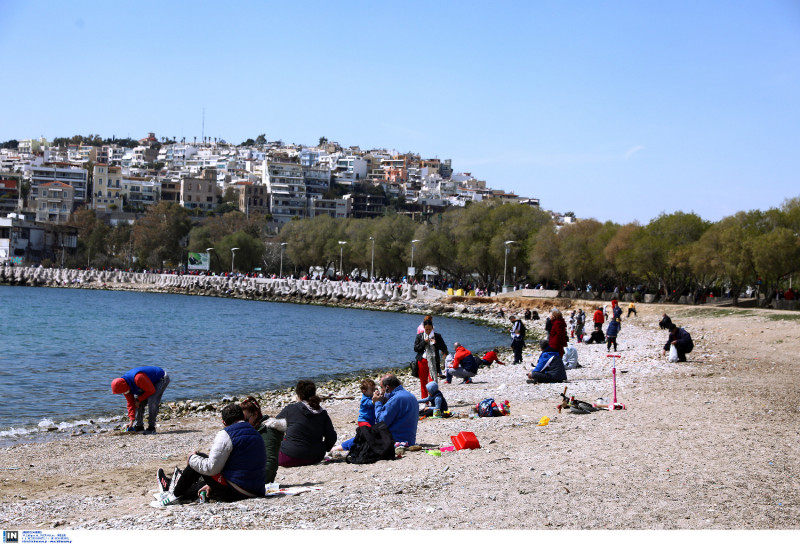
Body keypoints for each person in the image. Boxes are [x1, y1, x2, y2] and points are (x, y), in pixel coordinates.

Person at [155, 404, 266, 505]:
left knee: (200, 459)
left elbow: (211, 468)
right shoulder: (255, 433)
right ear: (243, 417)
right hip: (255, 490)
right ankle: (173, 488)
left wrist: (191, 458)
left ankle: (174, 495)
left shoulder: (226, 434)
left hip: (236, 492)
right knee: (201, 484)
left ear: (224, 422)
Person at [276, 380, 337, 467]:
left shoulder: (290, 409)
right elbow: (332, 437)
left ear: (299, 395)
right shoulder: (322, 413)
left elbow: (273, 425)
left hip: (289, 456)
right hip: (316, 456)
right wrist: (325, 448)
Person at [111, 366, 170, 434]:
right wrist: (131, 420)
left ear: (124, 387)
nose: (122, 393)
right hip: (146, 382)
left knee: (152, 400)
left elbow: (151, 390)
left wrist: (139, 399)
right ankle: (139, 426)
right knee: (137, 402)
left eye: (121, 392)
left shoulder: (138, 378)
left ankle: (151, 427)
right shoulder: (124, 387)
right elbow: (131, 403)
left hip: (161, 379)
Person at [239, 397, 286, 485]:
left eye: (245, 419)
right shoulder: (254, 428)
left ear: (255, 414)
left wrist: (254, 483)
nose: (243, 423)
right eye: (240, 420)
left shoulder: (268, 431)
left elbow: (270, 462)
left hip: (259, 479)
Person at [330, 379, 377, 453]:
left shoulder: (370, 396)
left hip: (370, 421)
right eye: (372, 390)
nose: (374, 391)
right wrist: (375, 400)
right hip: (364, 421)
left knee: (367, 436)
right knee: (365, 435)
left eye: (375, 389)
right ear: (364, 391)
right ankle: (342, 447)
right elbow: (370, 403)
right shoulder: (364, 399)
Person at [373, 373, 418, 446]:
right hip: (409, 440)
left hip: (395, 440)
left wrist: (378, 403)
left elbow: (380, 422)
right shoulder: (410, 395)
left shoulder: (396, 399)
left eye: (382, 387)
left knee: (357, 440)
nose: (382, 391)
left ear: (387, 388)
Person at [414, 319, 449, 396]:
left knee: (432, 383)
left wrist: (436, 343)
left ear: (432, 328)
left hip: (433, 361)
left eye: (430, 329)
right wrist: (424, 342)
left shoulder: (437, 336)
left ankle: (433, 401)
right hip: (422, 361)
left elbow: (444, 348)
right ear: (424, 328)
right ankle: (425, 402)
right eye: (426, 329)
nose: (428, 331)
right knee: (423, 382)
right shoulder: (420, 336)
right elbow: (416, 349)